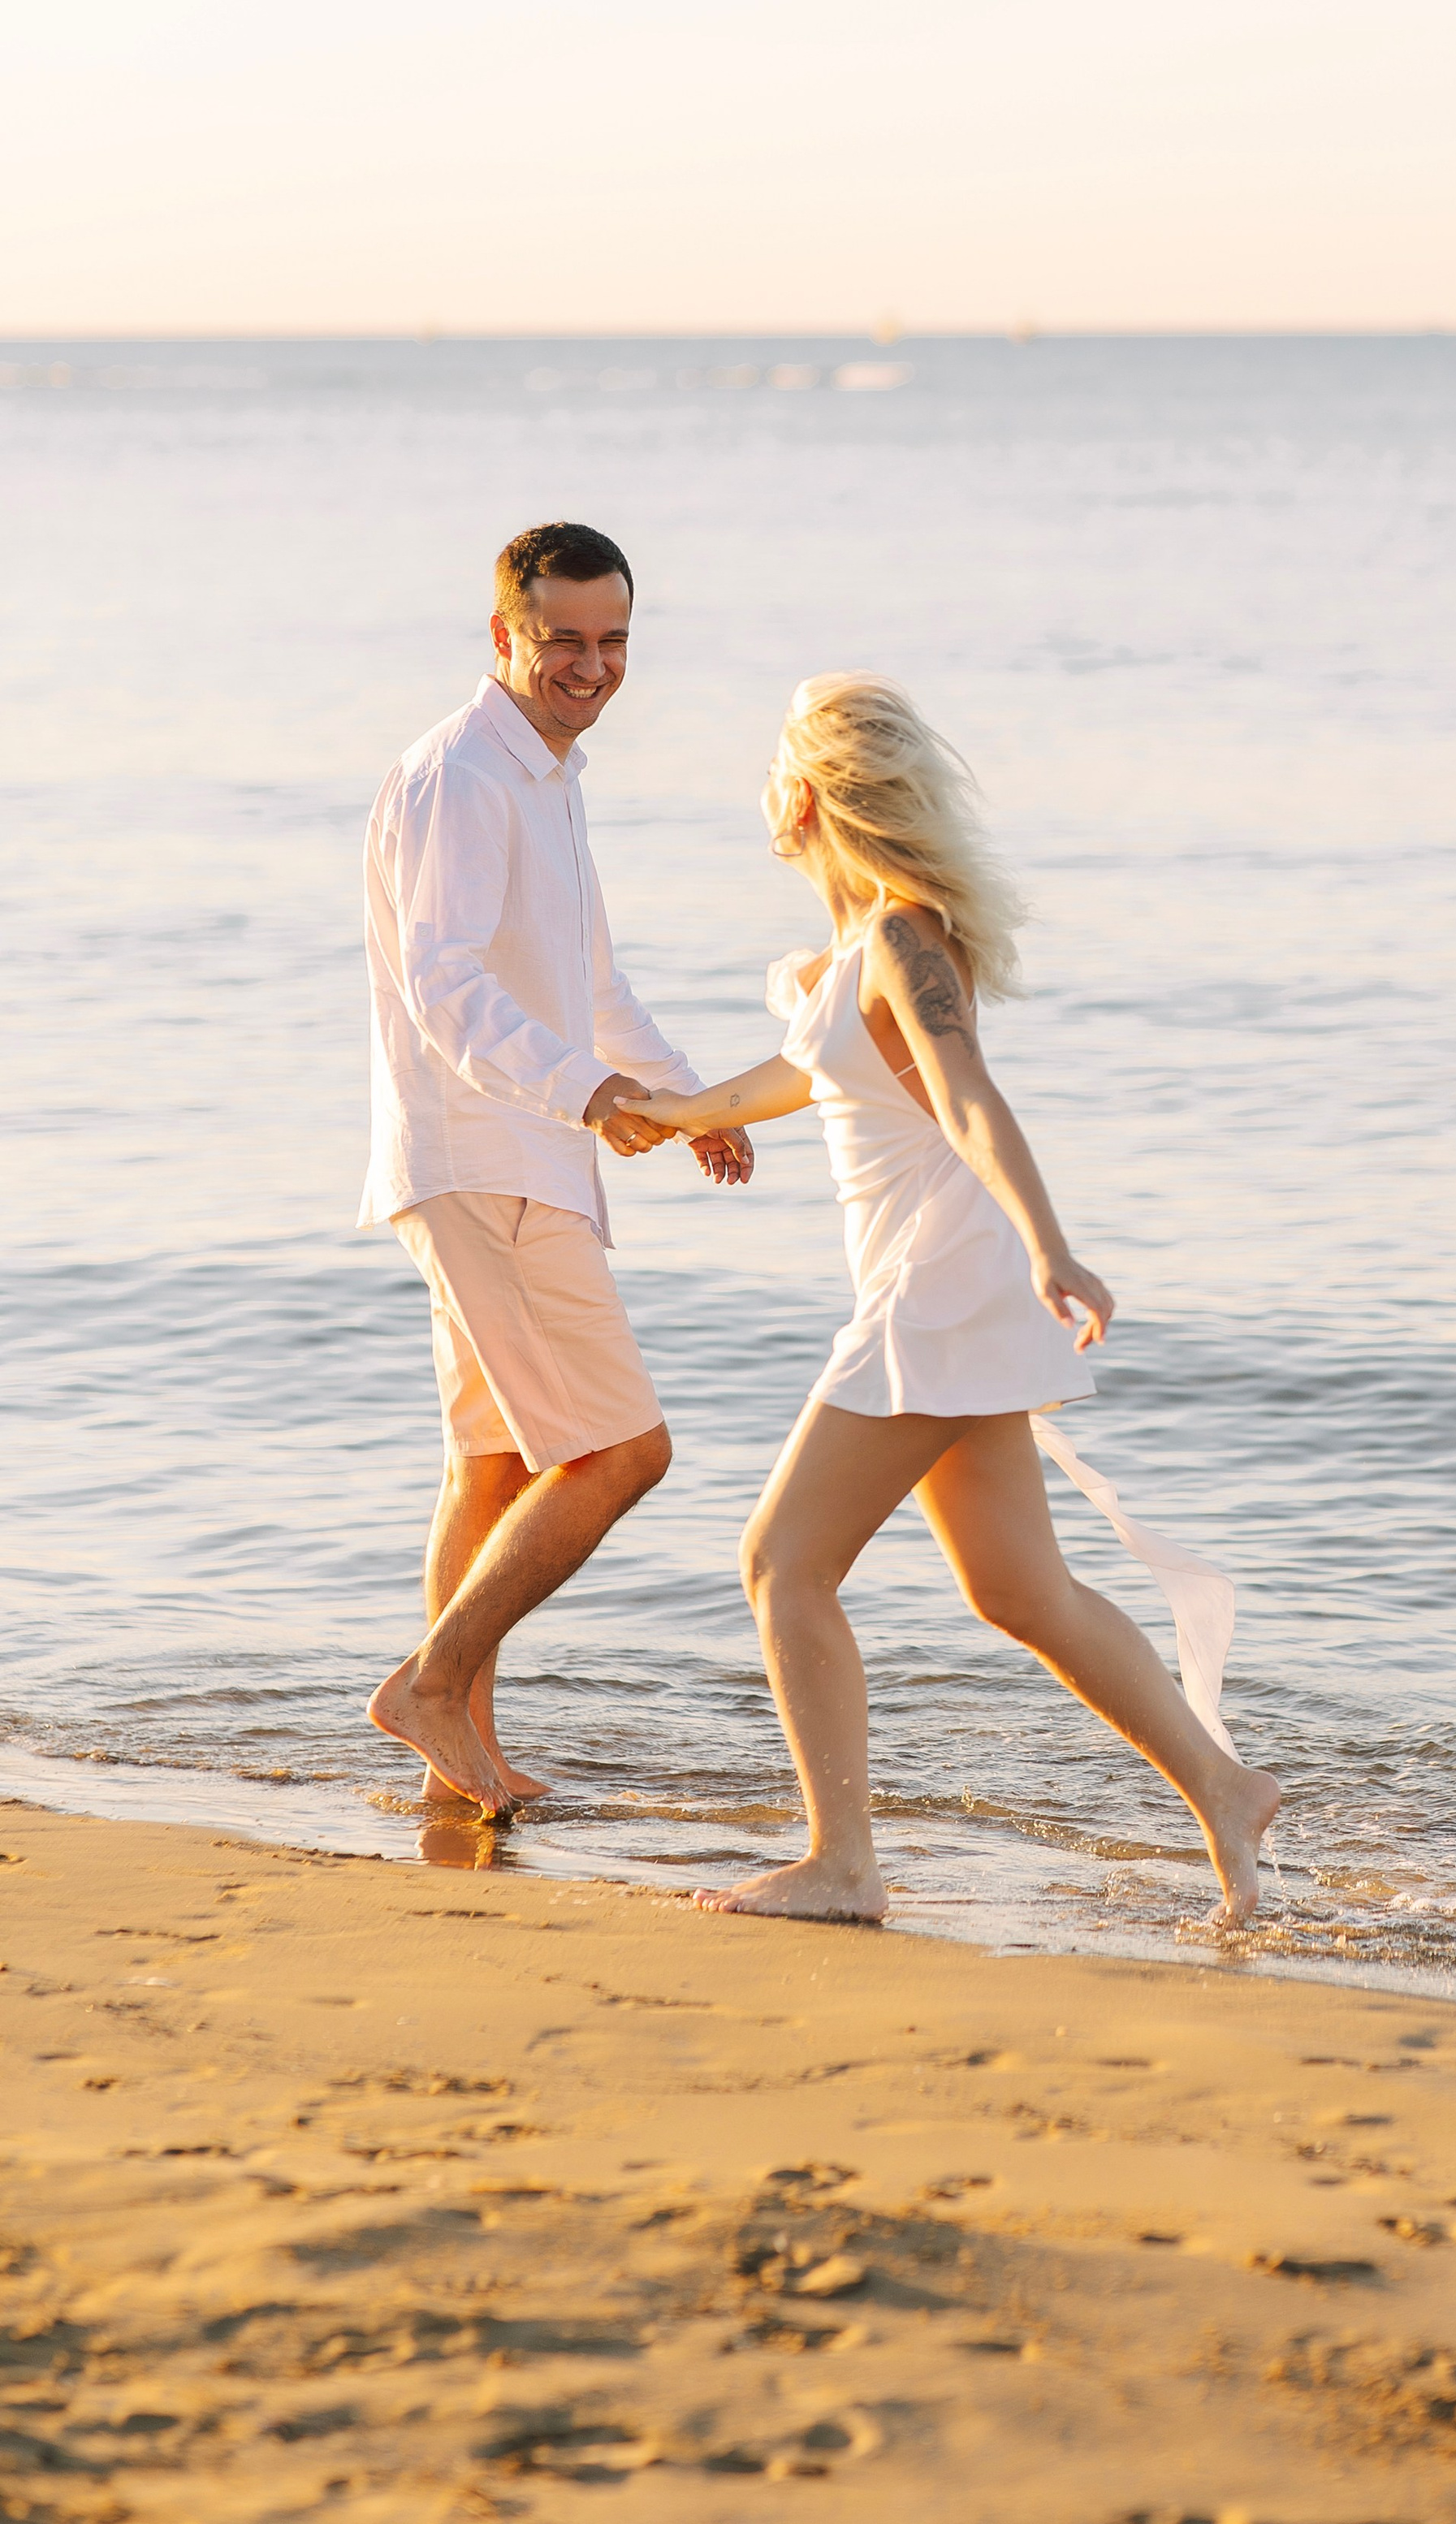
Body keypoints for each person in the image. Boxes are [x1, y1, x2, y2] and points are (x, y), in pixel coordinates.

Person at [631, 672, 1281, 1925]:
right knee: (1018, 1590)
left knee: (782, 1563)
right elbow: (800, 1076)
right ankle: (1223, 1786)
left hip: (944, 1284)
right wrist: (672, 1113)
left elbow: (969, 1097)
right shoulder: (856, 951)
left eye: (774, 771)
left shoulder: (904, 939)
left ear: (806, 793)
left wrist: (1052, 1248)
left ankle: (842, 1864)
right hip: (934, 1284)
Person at [358, 521, 750, 1817]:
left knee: (494, 1465)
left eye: (613, 641)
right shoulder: (467, 773)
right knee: (622, 1452)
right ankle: (431, 1685)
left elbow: (588, 979)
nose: (592, 667)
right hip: (493, 1160)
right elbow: (444, 984)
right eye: (564, 640)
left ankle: (456, 1763)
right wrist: (591, 1096)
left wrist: (687, 1100)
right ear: (504, 635)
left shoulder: (544, 771)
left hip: (501, 1161)